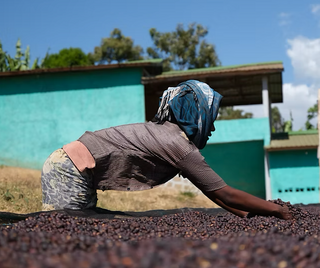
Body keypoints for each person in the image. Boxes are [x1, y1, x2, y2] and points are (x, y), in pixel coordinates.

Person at [41, 80, 292, 220]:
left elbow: (212, 194)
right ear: (197, 114)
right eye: (211, 118)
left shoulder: (172, 138)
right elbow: (225, 194)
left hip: (74, 167)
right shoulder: (176, 144)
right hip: (69, 169)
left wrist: (250, 216)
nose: (213, 127)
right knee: (65, 228)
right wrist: (279, 211)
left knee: (85, 227)